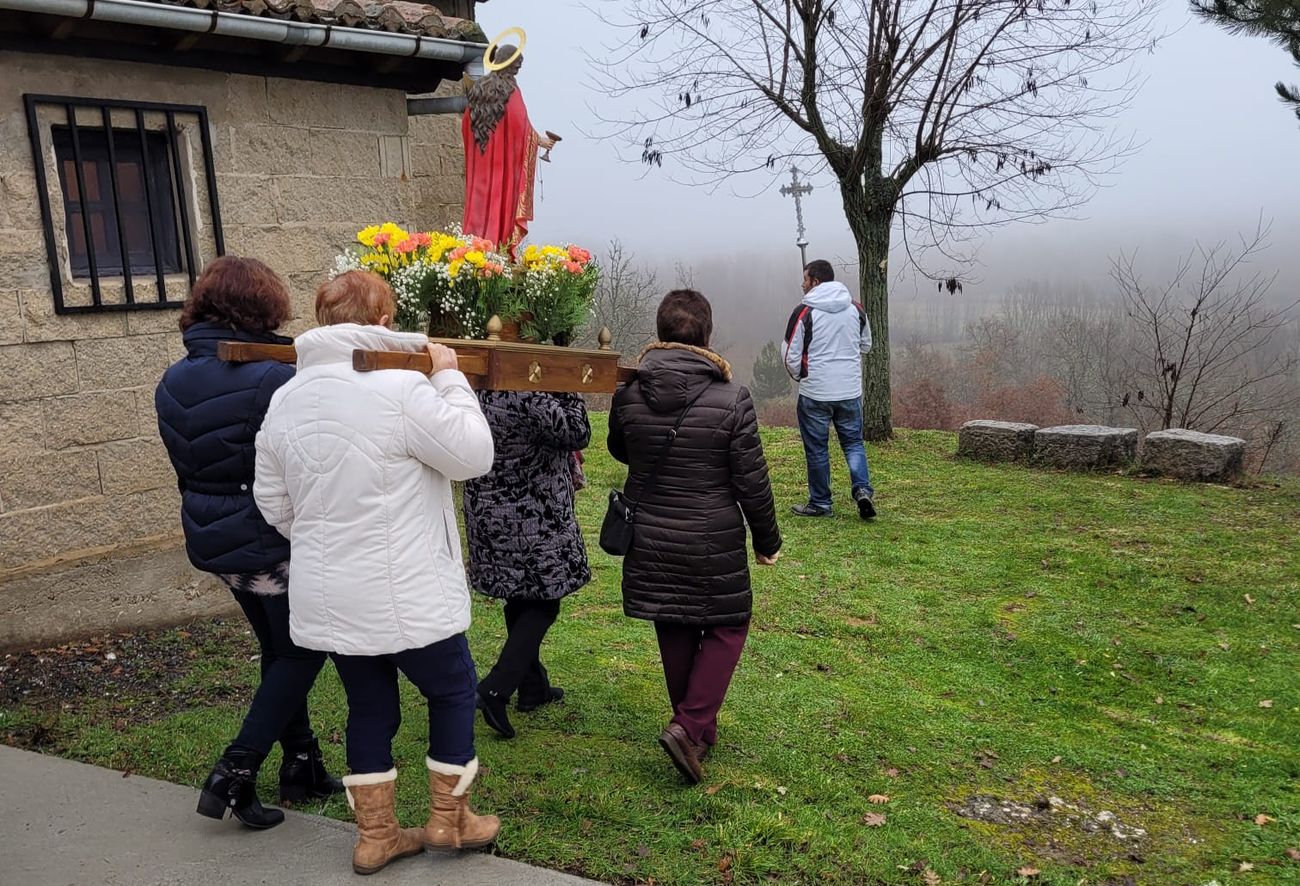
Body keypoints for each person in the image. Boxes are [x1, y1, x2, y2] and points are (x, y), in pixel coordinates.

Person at [254, 271, 499, 875]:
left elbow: (273, 505)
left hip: (331, 593)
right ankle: (451, 820)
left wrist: (327, 538)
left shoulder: (286, 396)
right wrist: (448, 376)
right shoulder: (397, 387)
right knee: (452, 690)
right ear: (385, 321)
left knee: (368, 707)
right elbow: (474, 454)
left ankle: (377, 836)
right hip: (409, 586)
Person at [155, 256, 343, 830]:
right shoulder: (274, 377)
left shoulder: (173, 377)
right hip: (270, 540)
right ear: (262, 307)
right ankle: (235, 772)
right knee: (304, 649)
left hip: (217, 541)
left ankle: (302, 761)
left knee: (278, 645)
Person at [608, 290, 782, 785]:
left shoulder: (628, 394)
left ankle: (697, 729)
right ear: (706, 335)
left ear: (661, 334)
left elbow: (620, 449)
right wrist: (767, 540)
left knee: (674, 623)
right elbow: (752, 478)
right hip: (712, 536)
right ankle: (689, 726)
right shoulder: (733, 398)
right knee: (729, 624)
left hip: (651, 533)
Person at [462, 392, 592, 739]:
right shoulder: (530, 396)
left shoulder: (481, 391)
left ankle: (533, 686)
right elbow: (577, 432)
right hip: (531, 512)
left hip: (489, 509)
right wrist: (571, 392)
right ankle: (496, 688)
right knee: (544, 602)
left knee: (520, 595)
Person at [782, 259, 877, 520]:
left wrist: (801, 376)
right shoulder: (855, 309)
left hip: (816, 393)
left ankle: (821, 503)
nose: (802, 284)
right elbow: (866, 344)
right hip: (849, 391)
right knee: (854, 443)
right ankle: (862, 490)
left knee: (817, 449)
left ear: (815, 281)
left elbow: (790, 354)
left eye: (805, 279)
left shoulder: (804, 312)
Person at [461, 45, 556, 260]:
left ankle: (475, 249)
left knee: (479, 203)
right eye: (515, 68)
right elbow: (519, 125)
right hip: (502, 167)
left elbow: (466, 125)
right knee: (501, 202)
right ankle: (496, 251)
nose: (516, 73)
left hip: (481, 165)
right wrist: (540, 141)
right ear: (508, 65)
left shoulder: (478, 90)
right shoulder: (511, 91)